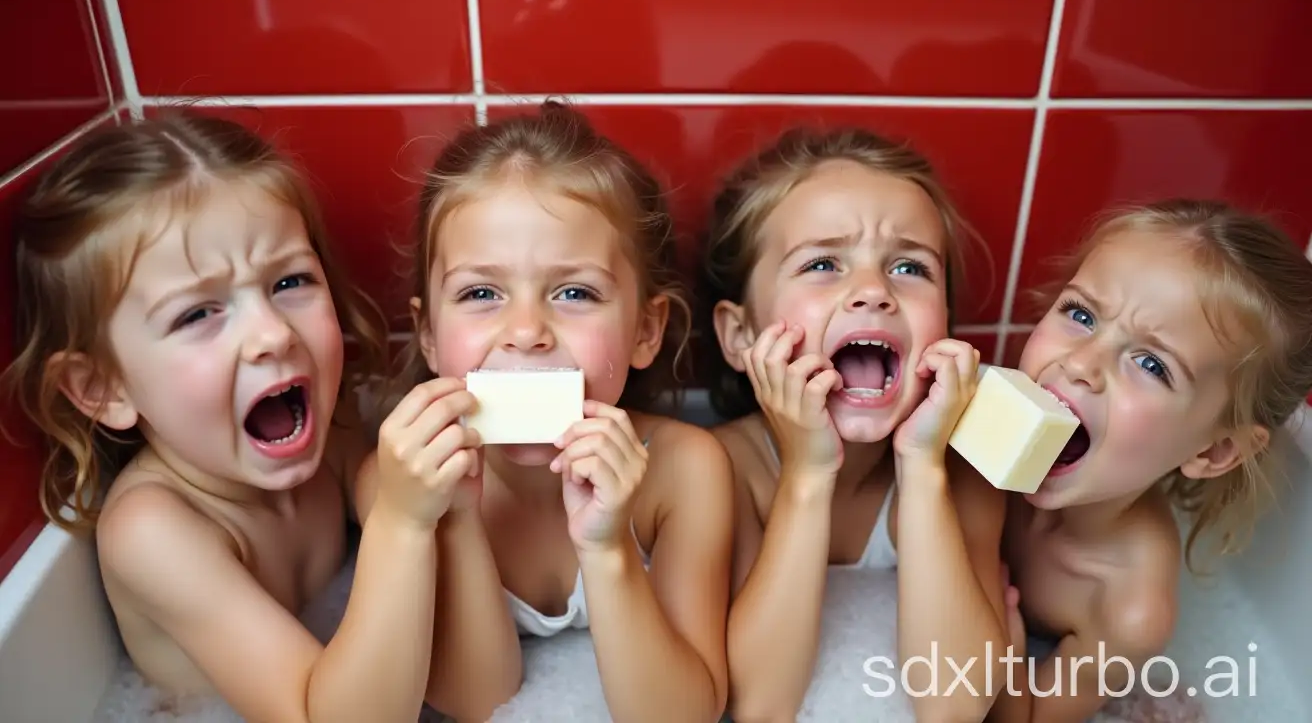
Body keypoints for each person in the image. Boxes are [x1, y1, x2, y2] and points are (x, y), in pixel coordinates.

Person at [0, 112, 457, 722]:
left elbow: (383, 486)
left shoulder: (334, 431)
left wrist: (402, 495)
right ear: (102, 386)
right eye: (197, 315)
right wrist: (401, 523)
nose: (271, 334)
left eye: (289, 280)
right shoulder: (154, 530)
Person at [354, 100, 733, 722]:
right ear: (427, 336)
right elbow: (481, 704)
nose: (526, 331)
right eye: (481, 293)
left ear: (645, 329)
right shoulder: (399, 484)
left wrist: (608, 549)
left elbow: (683, 714)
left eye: (574, 292)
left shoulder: (684, 469)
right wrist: (456, 518)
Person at [702, 126, 1008, 722]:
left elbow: (957, 703)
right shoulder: (719, 470)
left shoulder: (965, 469)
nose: (873, 291)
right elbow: (758, 706)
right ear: (741, 336)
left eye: (910, 268)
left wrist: (922, 469)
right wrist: (807, 474)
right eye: (822, 263)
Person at [992, 199, 1312, 721]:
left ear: (1214, 450)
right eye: (1081, 314)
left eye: (1150, 364)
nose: (1080, 364)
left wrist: (997, 641)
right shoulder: (989, 439)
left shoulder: (1128, 608)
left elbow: (1022, 718)